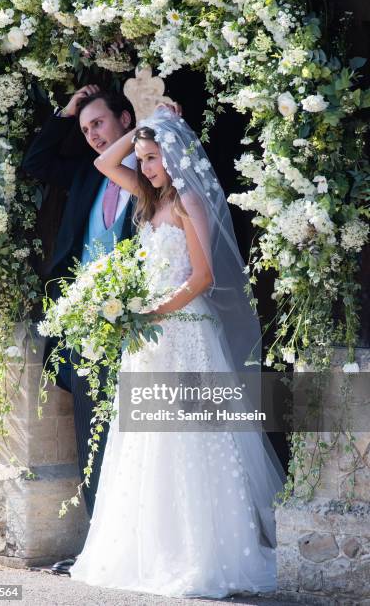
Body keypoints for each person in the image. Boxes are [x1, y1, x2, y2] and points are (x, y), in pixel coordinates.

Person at [69, 105, 285, 597]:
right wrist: (147, 121)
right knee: (146, 444)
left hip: (186, 333)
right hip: (150, 339)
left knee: (191, 438)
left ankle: (202, 553)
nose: (144, 168)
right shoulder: (148, 198)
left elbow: (203, 277)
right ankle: (152, 550)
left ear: (172, 155)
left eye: (152, 157)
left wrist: (153, 314)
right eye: (142, 159)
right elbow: (104, 165)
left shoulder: (189, 199)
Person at [21, 86, 136, 574]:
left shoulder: (150, 170)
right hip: (84, 326)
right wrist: (65, 114)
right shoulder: (86, 176)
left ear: (125, 119)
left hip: (138, 325)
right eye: (86, 128)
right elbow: (35, 164)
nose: (91, 136)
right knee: (93, 434)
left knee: (137, 438)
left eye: (99, 125)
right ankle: (100, 550)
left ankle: (135, 546)